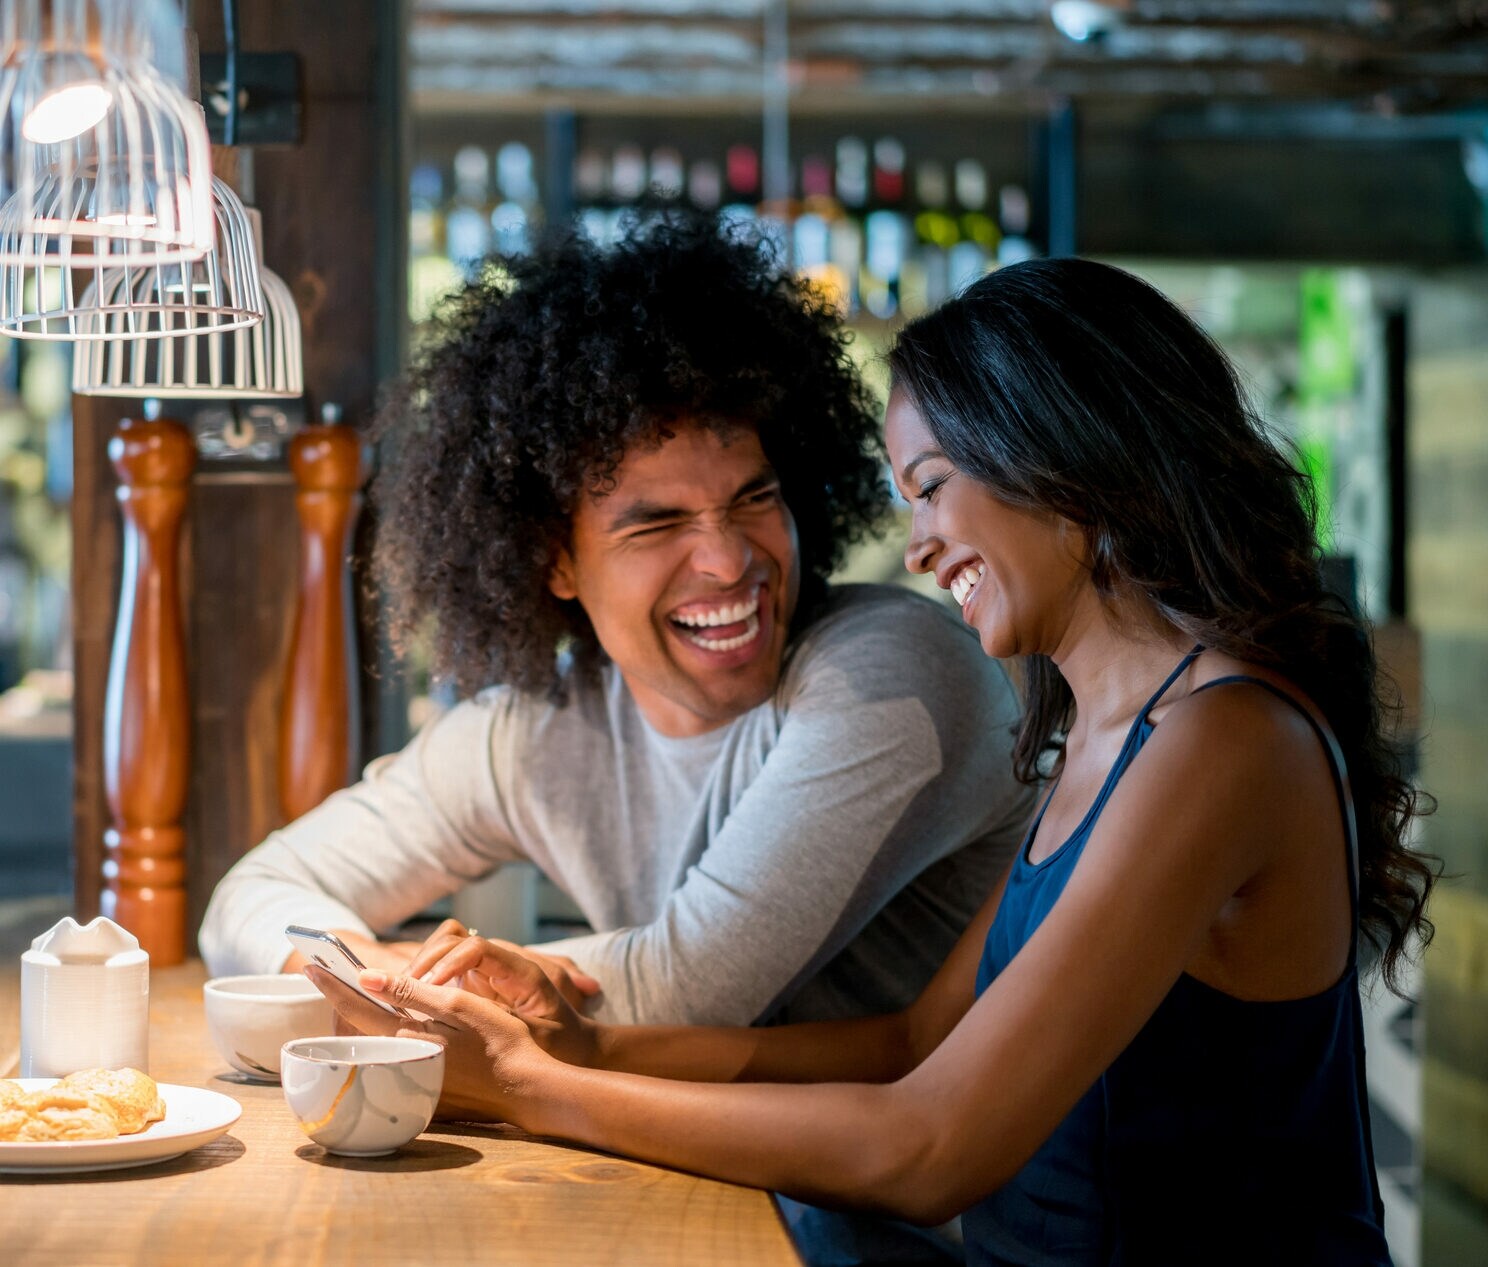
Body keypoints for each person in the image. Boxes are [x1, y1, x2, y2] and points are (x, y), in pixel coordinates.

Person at [308, 257, 1438, 1267]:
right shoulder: (1103, 733)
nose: (919, 545)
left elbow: (932, 1145)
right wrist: (586, 1040)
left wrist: (530, 1086)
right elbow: (912, 1044)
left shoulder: (1221, 742)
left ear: (1066, 464)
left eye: (933, 485)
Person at [200, 213, 1031, 1040]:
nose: (729, 559)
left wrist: (422, 983)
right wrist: (386, 974)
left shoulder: (893, 675)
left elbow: (688, 987)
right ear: (554, 560)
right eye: (656, 523)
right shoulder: (530, 736)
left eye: (754, 496)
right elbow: (251, 895)